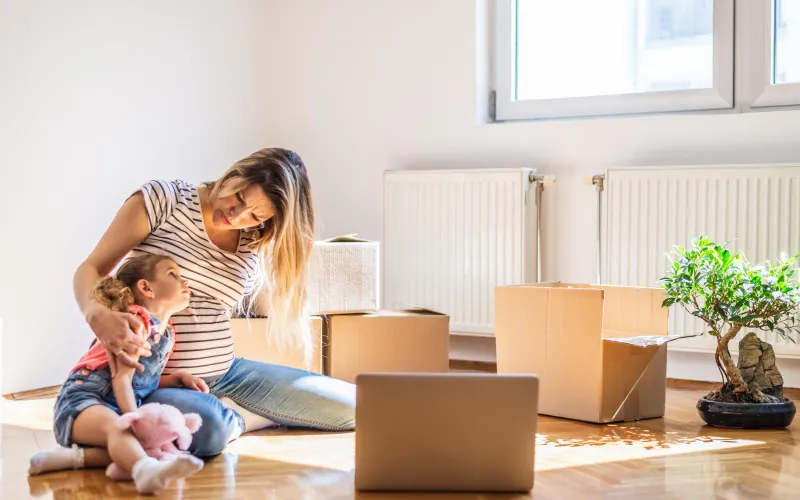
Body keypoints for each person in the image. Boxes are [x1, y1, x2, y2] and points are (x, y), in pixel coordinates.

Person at [72, 148, 356, 458]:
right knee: (208, 430)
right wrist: (96, 314)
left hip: (227, 373)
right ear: (237, 172)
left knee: (353, 408)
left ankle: (234, 415)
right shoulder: (165, 200)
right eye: (240, 198)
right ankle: (228, 419)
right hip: (155, 382)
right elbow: (91, 269)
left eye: (256, 215)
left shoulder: (251, 240)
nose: (237, 216)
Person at [29, 254, 207, 494]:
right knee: (123, 431)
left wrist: (175, 379)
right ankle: (145, 471)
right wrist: (135, 418)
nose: (185, 282)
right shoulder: (136, 323)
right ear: (146, 288)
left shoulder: (167, 335)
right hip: (84, 399)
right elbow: (120, 378)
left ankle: (68, 459)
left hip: (113, 404)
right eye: (173, 274)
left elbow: (140, 380)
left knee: (143, 442)